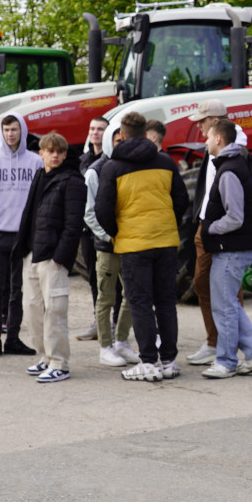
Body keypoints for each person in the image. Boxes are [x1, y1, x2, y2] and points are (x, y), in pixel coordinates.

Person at [97, 112, 188, 382]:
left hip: (133, 244)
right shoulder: (165, 162)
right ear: (147, 133)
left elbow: (102, 209)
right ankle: (169, 360)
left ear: (121, 135)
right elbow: (181, 200)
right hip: (165, 241)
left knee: (139, 302)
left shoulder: (112, 167)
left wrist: (117, 234)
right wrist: (167, 224)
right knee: (165, 302)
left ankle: (148, 361)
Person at [12, 132, 86, 384]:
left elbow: (73, 225)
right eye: (49, 151)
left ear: (65, 154)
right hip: (32, 254)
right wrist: (22, 249)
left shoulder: (73, 181)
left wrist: (60, 258)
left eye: (59, 151)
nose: (54, 155)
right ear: (41, 153)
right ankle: (44, 356)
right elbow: (29, 216)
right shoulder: (39, 176)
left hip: (52, 258)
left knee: (55, 310)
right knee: (32, 309)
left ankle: (59, 363)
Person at [200, 119, 252, 378]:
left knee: (225, 307)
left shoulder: (228, 171)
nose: (205, 141)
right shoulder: (233, 165)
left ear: (218, 139)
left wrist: (210, 228)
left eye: (208, 137)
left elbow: (235, 217)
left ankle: (226, 361)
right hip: (233, 249)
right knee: (229, 304)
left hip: (230, 250)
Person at [185, 99, 248, 366]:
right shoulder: (218, 145)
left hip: (220, 229)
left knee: (227, 291)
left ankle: (226, 347)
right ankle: (218, 343)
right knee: (203, 284)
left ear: (216, 121)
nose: (199, 127)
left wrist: (212, 226)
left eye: (202, 121)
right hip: (207, 226)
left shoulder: (236, 149)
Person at [0, 112, 41, 359]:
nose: (10, 134)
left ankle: (13, 338)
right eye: (6, 130)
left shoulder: (34, 162)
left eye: (14, 129)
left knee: (18, 290)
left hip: (22, 236)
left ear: (22, 130)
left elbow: (37, 201)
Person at [82, 127, 140, 367]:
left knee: (131, 295)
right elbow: (89, 213)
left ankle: (121, 342)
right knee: (106, 298)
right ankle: (105, 347)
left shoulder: (128, 166)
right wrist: (108, 237)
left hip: (128, 243)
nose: (121, 143)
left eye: (123, 139)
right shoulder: (94, 172)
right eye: (117, 140)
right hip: (107, 246)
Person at [75, 116, 109, 341]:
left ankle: (114, 321)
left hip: (106, 230)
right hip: (86, 231)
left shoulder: (110, 160)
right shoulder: (82, 160)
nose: (95, 133)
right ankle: (99, 321)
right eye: (92, 129)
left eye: (100, 129)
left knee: (112, 278)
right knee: (94, 278)